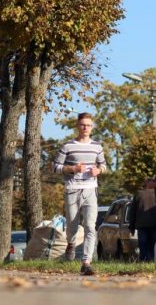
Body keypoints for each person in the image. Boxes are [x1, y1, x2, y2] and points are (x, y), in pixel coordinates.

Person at [53, 112, 106, 276]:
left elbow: (104, 166)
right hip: (72, 189)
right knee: (72, 225)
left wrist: (99, 170)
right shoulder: (67, 146)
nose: (85, 128)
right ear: (78, 126)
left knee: (90, 226)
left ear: (92, 127)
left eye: (88, 125)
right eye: (83, 125)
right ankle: (70, 243)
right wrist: (73, 168)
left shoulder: (97, 146)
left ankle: (86, 262)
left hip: (91, 189)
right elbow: (55, 167)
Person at [128, 186, 156, 261]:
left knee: (143, 245)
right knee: (154, 244)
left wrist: (131, 227)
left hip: (142, 225)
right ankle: (153, 260)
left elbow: (132, 212)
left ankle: (144, 260)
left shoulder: (138, 194)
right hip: (155, 224)